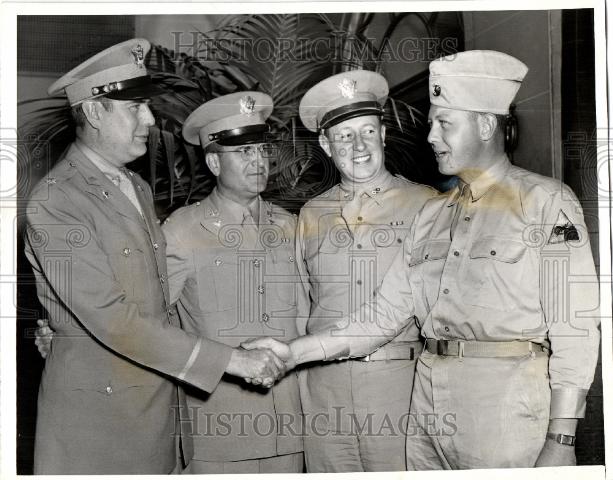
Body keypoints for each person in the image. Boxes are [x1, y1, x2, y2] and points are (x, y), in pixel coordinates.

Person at [243, 50, 600, 469]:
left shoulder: (544, 202)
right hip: (427, 415)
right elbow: (382, 316)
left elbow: (575, 328)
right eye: (431, 124)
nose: (430, 136)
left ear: (486, 124)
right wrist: (291, 353)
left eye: (443, 123)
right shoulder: (434, 214)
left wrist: (562, 435)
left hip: (505, 409)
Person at [24, 39, 286, 474]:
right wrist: (233, 361)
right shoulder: (57, 202)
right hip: (101, 421)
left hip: (156, 406)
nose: (149, 118)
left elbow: (159, 300)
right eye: (134, 107)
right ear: (92, 112)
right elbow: (113, 320)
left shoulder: (135, 186)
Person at [293, 70, 437, 472]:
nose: (358, 147)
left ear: (383, 135)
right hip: (325, 391)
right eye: (344, 136)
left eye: (367, 132)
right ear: (325, 144)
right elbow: (303, 302)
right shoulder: (311, 214)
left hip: (399, 385)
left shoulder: (428, 205)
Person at [161, 92, 307, 474]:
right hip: (217, 432)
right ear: (213, 162)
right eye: (243, 152)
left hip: (290, 428)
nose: (258, 161)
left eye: (261, 150)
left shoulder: (290, 227)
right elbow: (151, 325)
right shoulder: (181, 231)